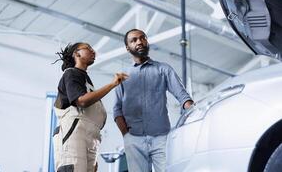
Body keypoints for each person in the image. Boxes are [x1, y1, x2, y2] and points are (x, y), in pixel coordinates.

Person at [113, 29, 194, 172]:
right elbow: (117, 109)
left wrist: (194, 114)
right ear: (127, 48)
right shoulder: (122, 77)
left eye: (142, 38)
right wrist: (126, 134)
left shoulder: (163, 69)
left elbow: (183, 96)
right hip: (134, 139)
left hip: (161, 138)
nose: (139, 42)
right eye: (134, 40)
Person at [53, 42, 128, 172]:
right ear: (76, 54)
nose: (94, 52)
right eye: (88, 48)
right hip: (74, 132)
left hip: (90, 137)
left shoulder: (86, 79)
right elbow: (81, 101)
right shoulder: (71, 73)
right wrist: (112, 84)